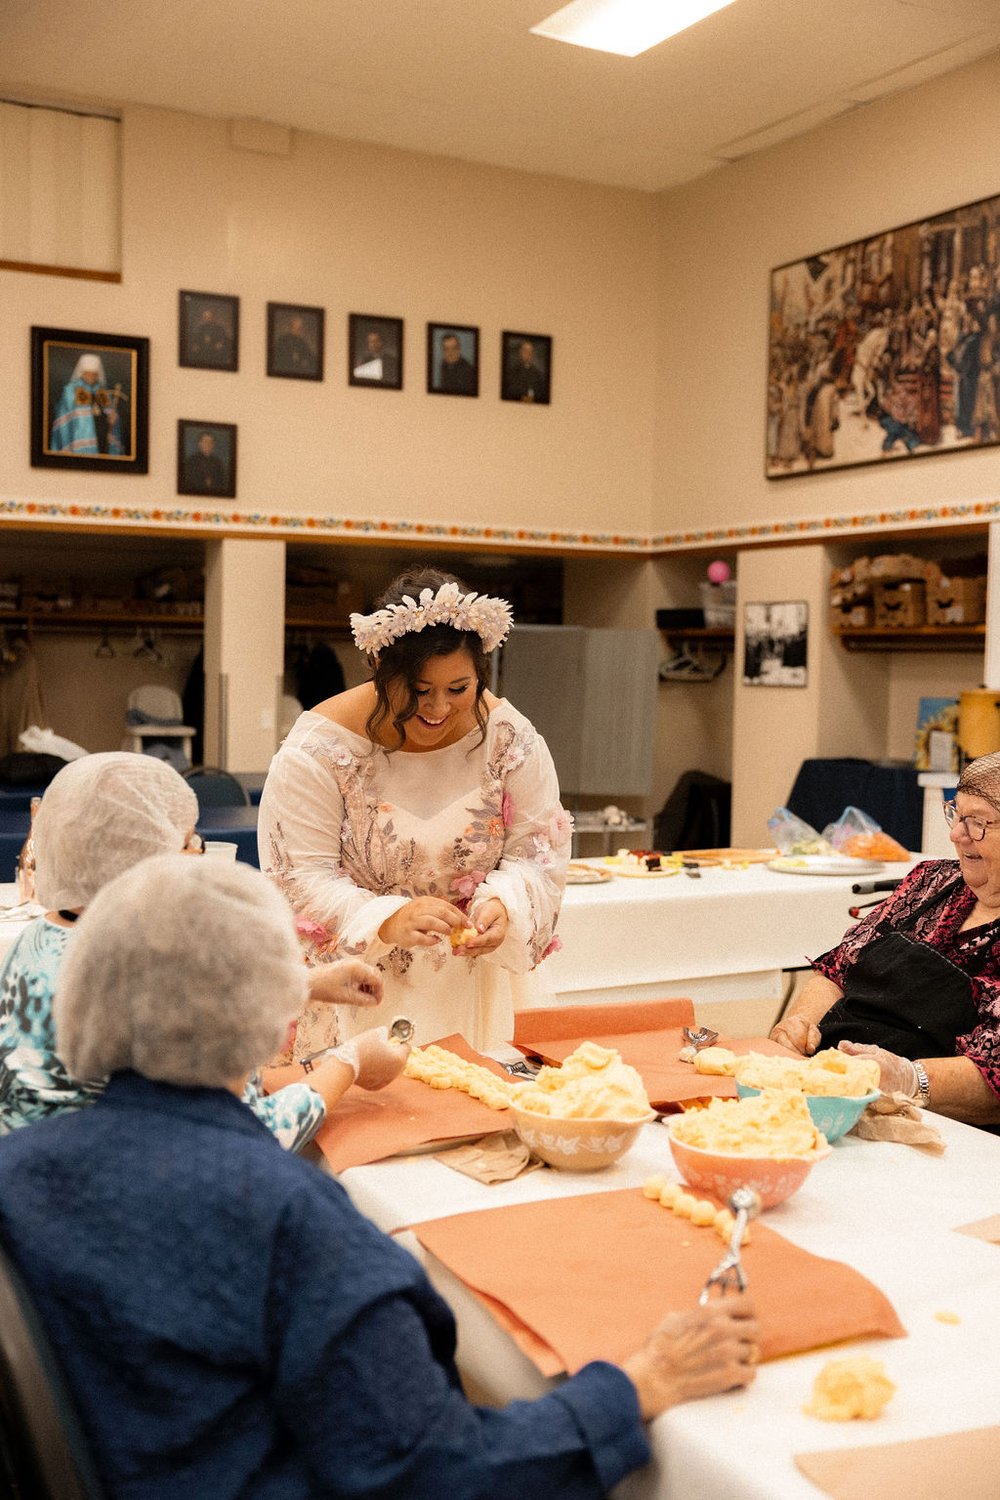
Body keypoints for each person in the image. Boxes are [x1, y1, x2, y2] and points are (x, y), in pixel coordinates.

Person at [0, 855, 759, 1499]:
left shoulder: (17, 1173)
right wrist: (639, 1386)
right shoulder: (290, 1220)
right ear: (279, 1021)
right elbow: (438, 1471)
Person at [0, 753, 405, 1148]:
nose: (198, 852)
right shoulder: (142, 974)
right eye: (184, 841)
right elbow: (241, 1138)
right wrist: (350, 1062)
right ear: (133, 862)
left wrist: (305, 983)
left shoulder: (45, 937)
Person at [259, 567, 570, 1054]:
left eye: (459, 689)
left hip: (475, 991)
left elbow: (538, 853)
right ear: (381, 664)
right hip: (356, 994)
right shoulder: (318, 749)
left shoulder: (508, 738)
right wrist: (387, 918)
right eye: (419, 690)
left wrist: (504, 903)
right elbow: (297, 877)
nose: (438, 709)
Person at [770, 751, 1000, 1128]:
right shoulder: (931, 882)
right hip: (834, 1092)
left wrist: (910, 1078)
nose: (956, 835)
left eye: (976, 823)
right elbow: (839, 967)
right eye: (956, 815)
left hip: (935, 1125)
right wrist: (799, 1025)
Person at [49, 352, 126, 457]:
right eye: (88, 373)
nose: (91, 377)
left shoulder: (103, 392)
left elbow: (112, 417)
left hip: (102, 443)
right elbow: (63, 421)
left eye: (94, 374)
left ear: (98, 374)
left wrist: (114, 420)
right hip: (79, 445)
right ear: (82, 373)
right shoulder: (71, 391)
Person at [504, 338, 549, 403]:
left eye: (530, 352)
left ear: (532, 354)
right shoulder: (512, 371)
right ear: (520, 352)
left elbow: (540, 394)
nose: (527, 354)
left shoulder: (537, 374)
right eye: (525, 351)